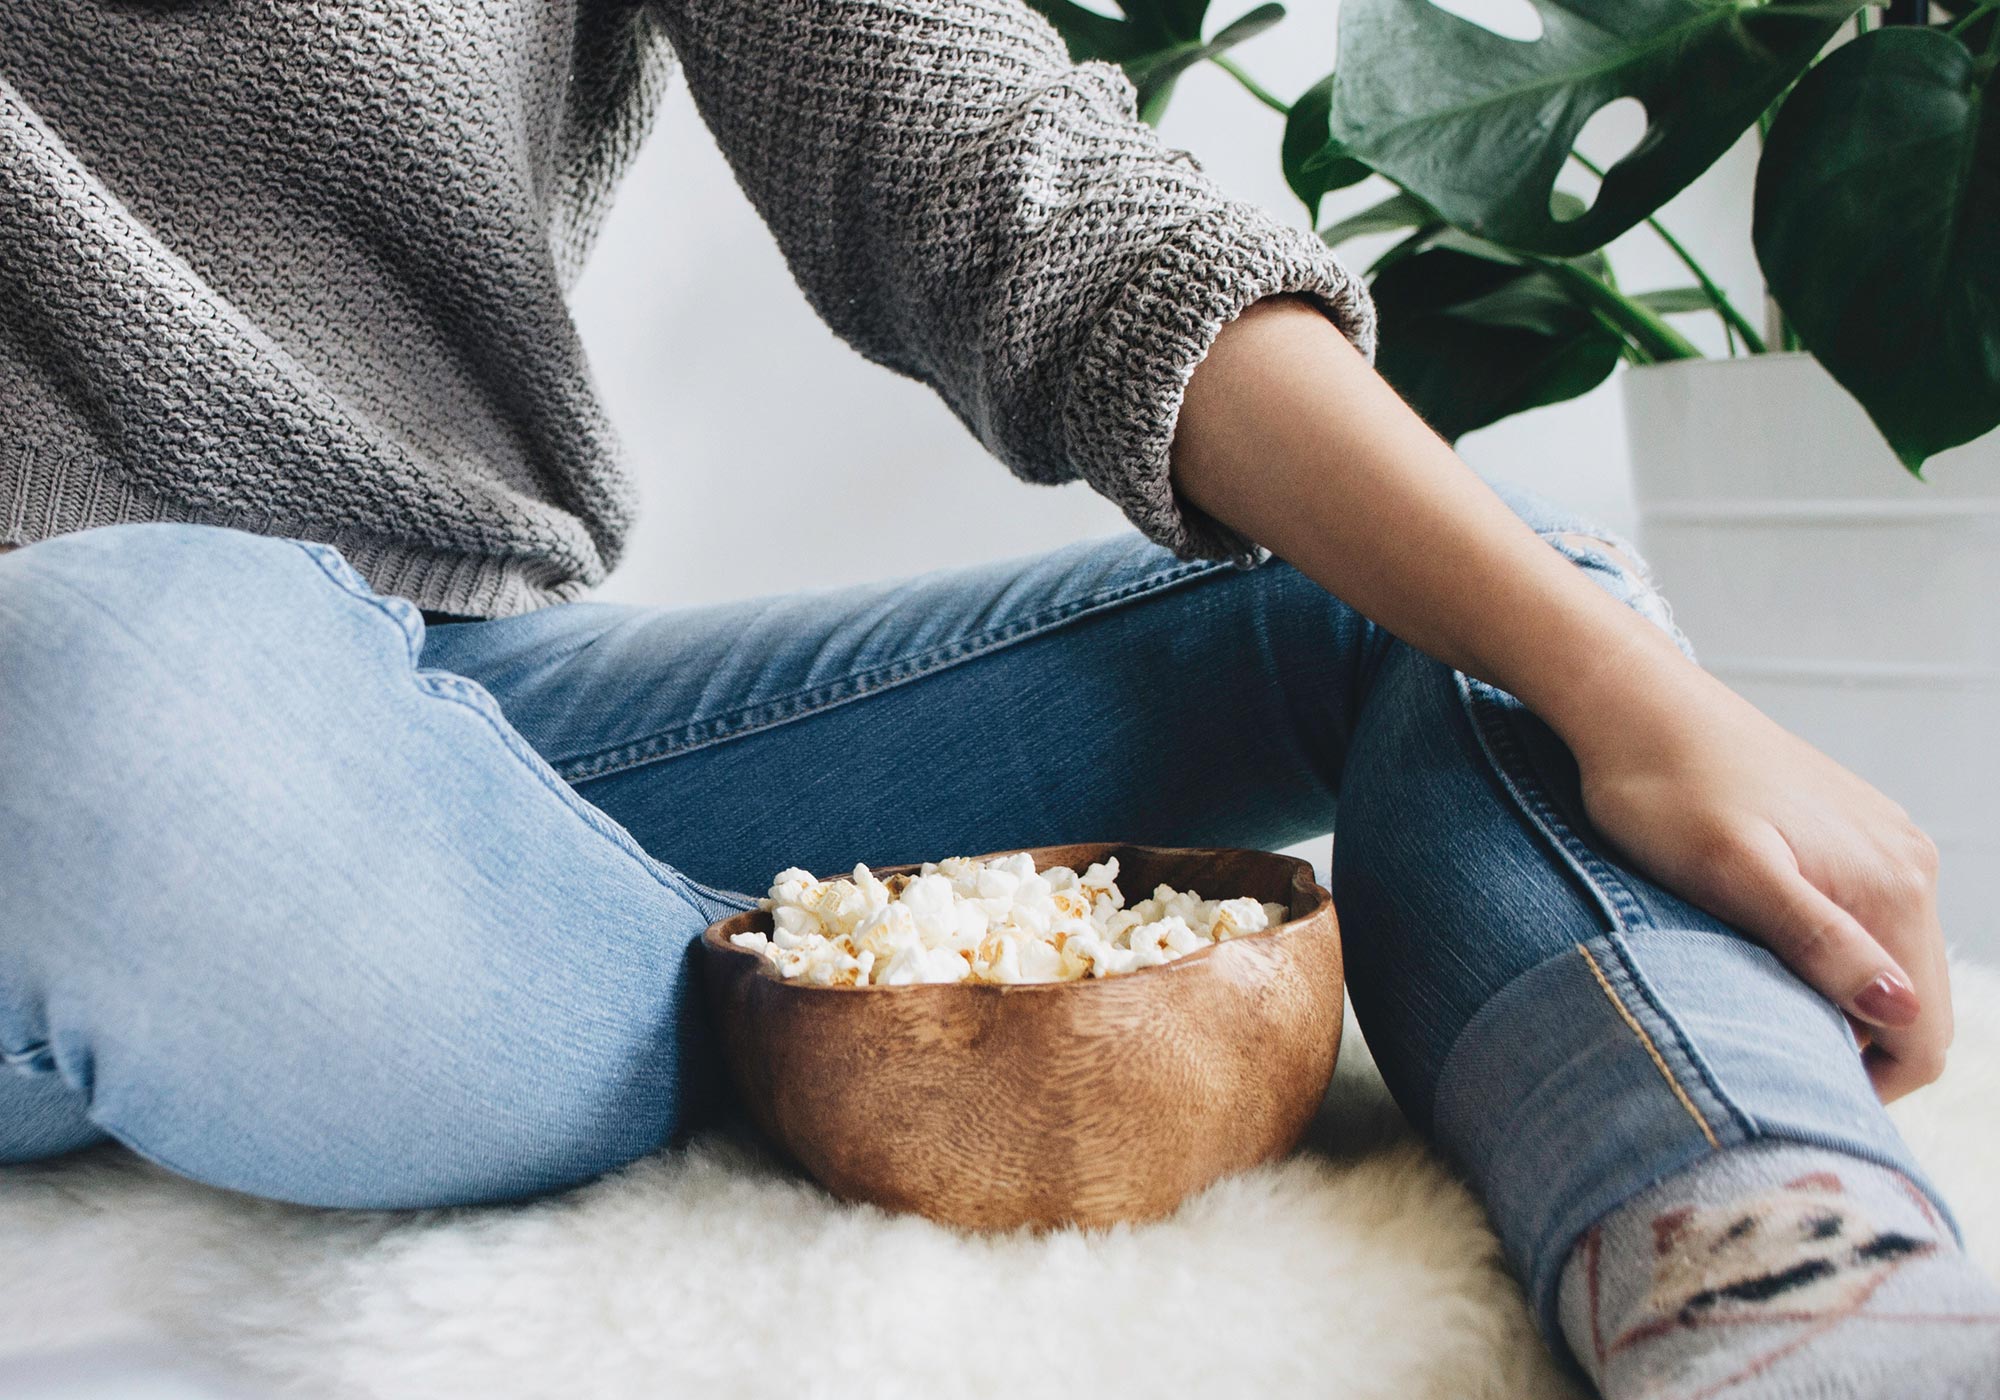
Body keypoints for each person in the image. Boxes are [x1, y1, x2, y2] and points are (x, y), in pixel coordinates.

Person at [0, 2, 1992, 1395]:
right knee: (112, 671)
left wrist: (1619, 682)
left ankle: (1775, 1259)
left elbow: (1000, 178)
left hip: (481, 694)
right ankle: (823, 1029)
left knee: (1486, 589)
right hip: (92, 743)